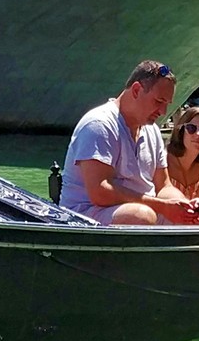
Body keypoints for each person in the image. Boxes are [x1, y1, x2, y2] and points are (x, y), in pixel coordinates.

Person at [59, 60, 175, 225]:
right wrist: (161, 205)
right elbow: (100, 193)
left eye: (166, 104)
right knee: (141, 216)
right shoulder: (99, 124)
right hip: (86, 216)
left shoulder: (152, 130)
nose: (163, 111)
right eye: (159, 101)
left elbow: (163, 185)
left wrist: (186, 206)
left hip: (144, 208)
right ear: (136, 90)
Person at [153, 104, 199, 223]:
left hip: (188, 223)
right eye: (191, 128)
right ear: (181, 131)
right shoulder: (163, 161)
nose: (198, 135)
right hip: (161, 221)